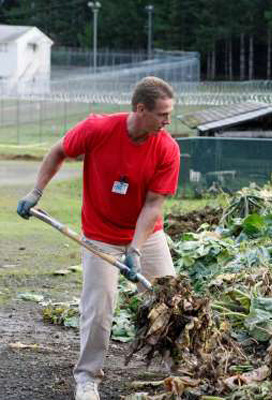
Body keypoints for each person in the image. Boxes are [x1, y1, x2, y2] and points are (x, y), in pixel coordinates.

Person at [16, 76, 181, 400]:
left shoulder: (167, 148)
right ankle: (87, 378)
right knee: (99, 308)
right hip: (99, 235)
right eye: (162, 114)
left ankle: (179, 368)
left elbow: (153, 205)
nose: (168, 121)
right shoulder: (98, 129)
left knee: (168, 300)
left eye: (169, 114)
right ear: (141, 109)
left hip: (146, 236)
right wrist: (37, 191)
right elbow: (59, 151)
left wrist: (134, 247)